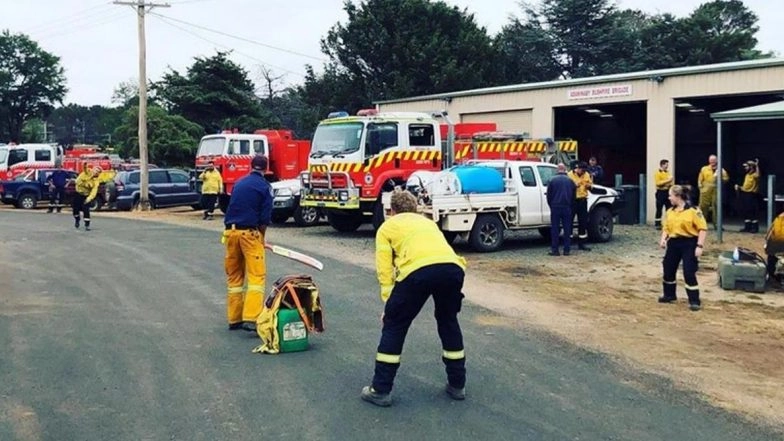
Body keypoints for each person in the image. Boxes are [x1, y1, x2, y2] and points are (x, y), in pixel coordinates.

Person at [361, 190, 467, 407]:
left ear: (392, 210)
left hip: (416, 272)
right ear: (415, 208)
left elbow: (384, 270)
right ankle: (457, 385)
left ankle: (380, 389)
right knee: (448, 321)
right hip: (452, 269)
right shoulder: (428, 223)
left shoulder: (387, 227)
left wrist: (389, 306)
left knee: (395, 326)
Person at [222, 154, 273, 332]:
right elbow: (264, 218)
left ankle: (234, 319)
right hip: (249, 233)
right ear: (266, 169)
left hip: (230, 232)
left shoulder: (239, 183)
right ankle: (251, 318)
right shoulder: (265, 187)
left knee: (234, 277)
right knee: (256, 276)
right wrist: (262, 238)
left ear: (250, 166)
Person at [658, 185, 707, 311]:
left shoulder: (693, 211)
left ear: (678, 196)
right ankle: (669, 295)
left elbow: (702, 229)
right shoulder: (670, 212)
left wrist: (699, 246)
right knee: (668, 267)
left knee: (688, 271)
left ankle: (694, 300)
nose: (669, 198)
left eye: (670, 195)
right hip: (674, 242)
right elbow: (666, 228)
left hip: (689, 243)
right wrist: (663, 239)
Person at [546, 163, 576, 256]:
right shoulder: (570, 181)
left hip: (555, 207)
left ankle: (555, 250)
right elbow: (573, 196)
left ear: (557, 170)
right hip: (567, 207)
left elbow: (549, 195)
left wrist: (551, 205)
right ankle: (567, 250)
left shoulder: (552, 180)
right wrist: (570, 205)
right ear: (565, 169)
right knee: (567, 229)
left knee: (555, 229)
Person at [697, 154, 729, 227]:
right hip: (705, 190)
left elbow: (726, 179)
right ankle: (701, 224)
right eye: (711, 160)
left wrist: (720, 178)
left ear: (717, 160)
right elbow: (700, 179)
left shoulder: (721, 170)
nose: (712, 161)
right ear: (709, 160)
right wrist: (700, 186)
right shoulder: (704, 169)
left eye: (714, 160)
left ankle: (717, 224)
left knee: (716, 206)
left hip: (716, 189)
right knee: (703, 206)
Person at [568, 161, 593, 251]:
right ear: (577, 168)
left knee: (583, 222)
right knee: (569, 221)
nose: (583, 172)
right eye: (581, 170)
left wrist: (588, 186)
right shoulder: (570, 175)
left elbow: (591, 186)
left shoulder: (586, 174)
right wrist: (574, 186)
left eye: (584, 171)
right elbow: (566, 188)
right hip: (572, 201)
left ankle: (582, 244)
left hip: (583, 200)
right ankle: (568, 243)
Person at [72, 166, 102, 231]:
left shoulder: (96, 181)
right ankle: (77, 219)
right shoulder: (86, 173)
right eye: (95, 170)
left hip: (86, 196)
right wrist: (85, 165)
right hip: (78, 193)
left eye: (98, 172)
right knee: (75, 209)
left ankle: (87, 225)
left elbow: (94, 191)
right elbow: (85, 168)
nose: (96, 172)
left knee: (86, 210)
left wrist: (89, 199)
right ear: (93, 169)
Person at [735, 159, 760, 233]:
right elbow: (745, 186)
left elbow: (758, 175)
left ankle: (754, 228)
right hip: (745, 194)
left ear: (751, 167)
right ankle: (747, 227)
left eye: (747, 166)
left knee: (752, 211)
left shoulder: (754, 175)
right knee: (746, 211)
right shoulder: (747, 175)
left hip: (752, 195)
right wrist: (739, 187)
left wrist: (757, 165)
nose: (745, 168)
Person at [654, 159, 674, 229]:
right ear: (662, 165)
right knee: (659, 208)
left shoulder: (667, 172)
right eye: (666, 164)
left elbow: (670, 183)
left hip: (667, 192)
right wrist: (667, 181)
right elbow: (658, 183)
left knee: (669, 208)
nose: (667, 166)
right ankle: (657, 224)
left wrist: (667, 183)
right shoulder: (657, 173)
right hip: (660, 193)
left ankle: (668, 223)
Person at [765, 211, 784, 282]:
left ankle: (772, 275)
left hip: (774, 243)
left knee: (772, 256)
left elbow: (769, 234)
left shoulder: (780, 217)